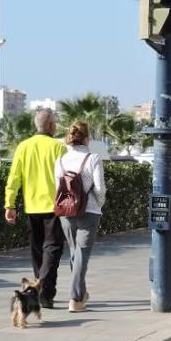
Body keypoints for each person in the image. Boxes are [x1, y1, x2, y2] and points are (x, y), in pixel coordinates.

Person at [4, 108, 66, 308]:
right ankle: (44, 291)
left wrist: (10, 204)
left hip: (32, 207)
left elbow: (14, 178)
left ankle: (40, 291)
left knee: (38, 251)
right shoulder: (58, 147)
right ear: (51, 126)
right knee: (52, 250)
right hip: (55, 207)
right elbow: (67, 179)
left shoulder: (23, 147)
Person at [55, 121, 106, 313]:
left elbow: (57, 188)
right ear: (87, 138)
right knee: (81, 255)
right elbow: (100, 189)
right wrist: (98, 205)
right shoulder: (93, 158)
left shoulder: (60, 161)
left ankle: (82, 293)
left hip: (65, 213)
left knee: (75, 254)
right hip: (89, 212)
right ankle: (75, 299)